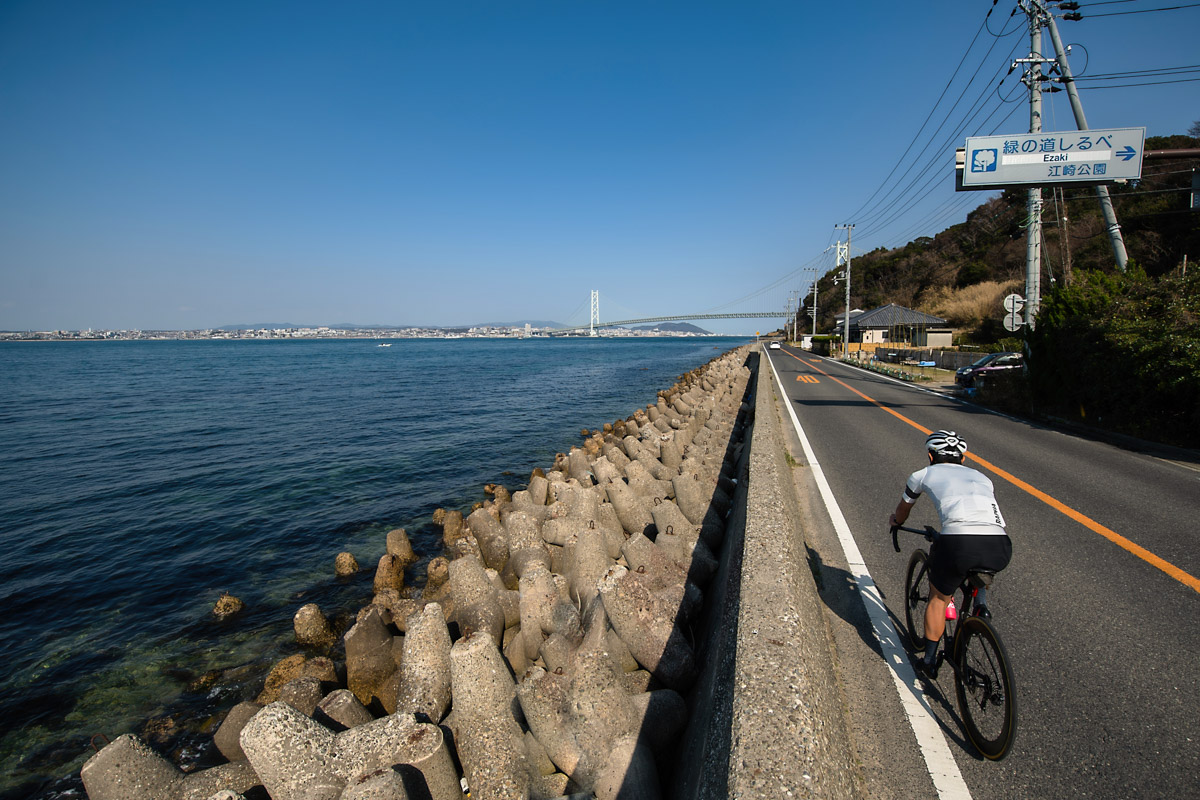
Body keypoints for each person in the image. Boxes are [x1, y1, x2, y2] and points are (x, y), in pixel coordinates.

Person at [890, 430, 1012, 678]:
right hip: (1000, 544)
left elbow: (904, 509)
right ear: (963, 459)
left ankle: (930, 661)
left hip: (958, 542)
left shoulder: (922, 474)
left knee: (938, 597)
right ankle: (980, 605)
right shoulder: (983, 477)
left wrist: (895, 521)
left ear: (930, 456)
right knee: (976, 562)